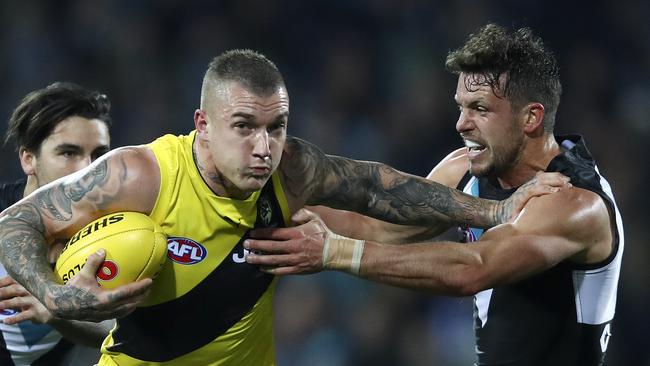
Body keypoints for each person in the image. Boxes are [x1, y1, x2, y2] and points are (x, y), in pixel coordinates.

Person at [0, 50, 567, 365]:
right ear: (203, 125)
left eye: (277, 127)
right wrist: (55, 293)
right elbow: (16, 220)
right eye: (244, 127)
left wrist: (496, 213)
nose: (264, 147)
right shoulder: (140, 173)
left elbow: (379, 187)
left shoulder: (291, 169)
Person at [244, 24, 624, 366]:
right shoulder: (465, 169)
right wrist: (274, 207)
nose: (461, 123)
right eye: (461, 107)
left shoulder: (575, 199)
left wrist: (332, 251)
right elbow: (381, 228)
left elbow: (474, 268)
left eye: (480, 109)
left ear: (531, 118)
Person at [0, 82, 115, 365]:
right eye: (68, 153)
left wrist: (57, 311)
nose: (87, 168)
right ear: (29, 159)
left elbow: (121, 333)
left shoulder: (117, 229)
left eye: (99, 155)